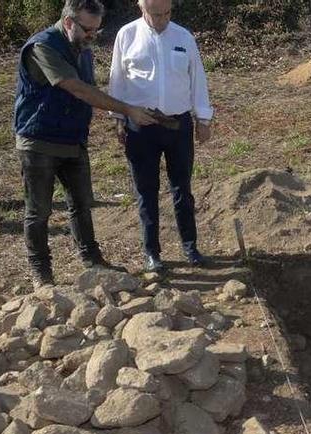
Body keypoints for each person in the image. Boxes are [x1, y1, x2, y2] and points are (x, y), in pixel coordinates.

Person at [13, 0, 157, 289]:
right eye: (88, 30)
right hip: (38, 140)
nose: (92, 36)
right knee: (39, 210)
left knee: (81, 205)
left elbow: (88, 89)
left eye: (96, 30)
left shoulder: (83, 50)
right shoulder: (43, 46)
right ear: (68, 23)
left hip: (73, 140)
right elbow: (78, 89)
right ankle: (42, 273)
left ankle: (92, 260)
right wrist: (128, 110)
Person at [108, 0, 214, 273]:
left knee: (182, 188)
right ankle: (152, 254)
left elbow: (197, 79)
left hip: (177, 125)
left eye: (167, 13)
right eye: (156, 14)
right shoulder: (127, 35)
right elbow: (117, 79)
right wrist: (119, 119)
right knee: (146, 190)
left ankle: (191, 248)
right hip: (141, 125)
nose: (162, 19)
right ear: (141, 8)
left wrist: (203, 117)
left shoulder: (183, 37)